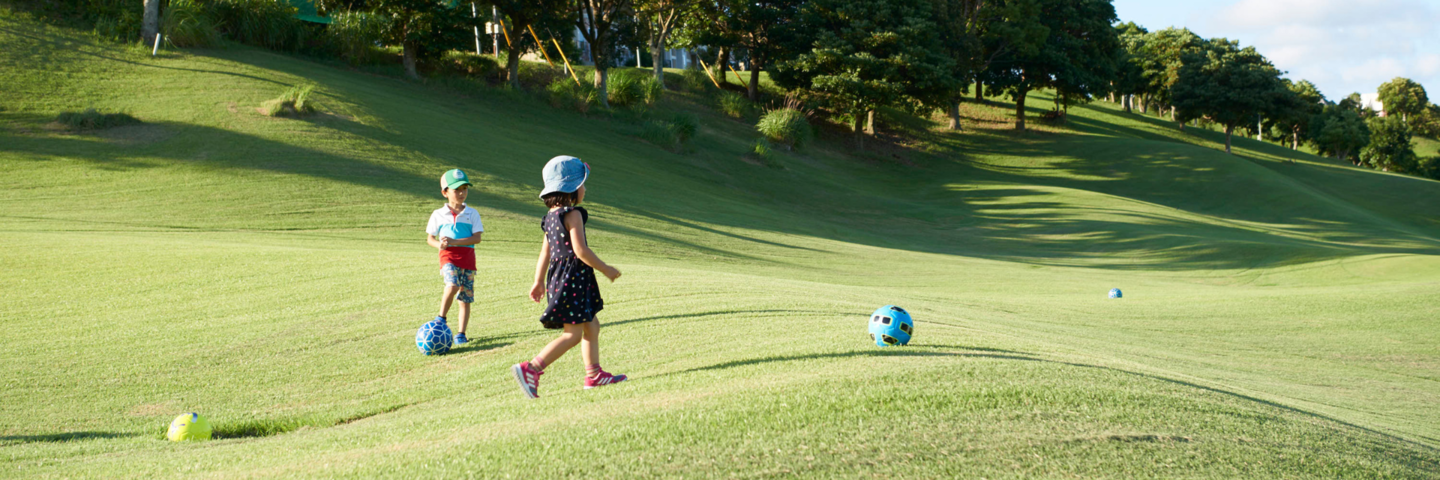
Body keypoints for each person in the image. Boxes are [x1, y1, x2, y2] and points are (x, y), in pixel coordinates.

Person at [512, 156, 624, 399]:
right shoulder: (573, 214)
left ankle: (594, 375)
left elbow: (545, 252)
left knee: (591, 325)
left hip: (560, 277)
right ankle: (531, 369)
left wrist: (538, 281)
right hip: (573, 278)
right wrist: (605, 268)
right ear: (572, 188)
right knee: (572, 334)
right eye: (583, 184)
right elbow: (580, 251)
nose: (585, 189)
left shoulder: (550, 217)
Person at [426, 169, 483, 344]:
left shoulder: (472, 213)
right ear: (445, 193)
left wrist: (454, 241)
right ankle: (441, 318)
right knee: (452, 284)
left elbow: (477, 238)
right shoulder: (438, 214)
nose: (461, 193)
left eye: (465, 188)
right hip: (448, 257)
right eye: (457, 189)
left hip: (468, 259)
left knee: (465, 299)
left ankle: (461, 334)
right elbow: (430, 239)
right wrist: (440, 245)